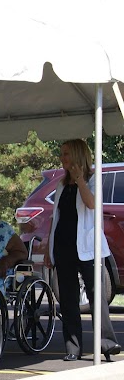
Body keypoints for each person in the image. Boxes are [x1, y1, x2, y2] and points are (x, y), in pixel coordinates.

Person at [45, 139, 121, 362]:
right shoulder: (60, 184)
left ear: (78, 155)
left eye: (66, 154)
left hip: (88, 247)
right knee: (68, 298)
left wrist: (80, 181)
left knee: (96, 294)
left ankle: (106, 343)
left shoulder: (93, 179)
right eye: (61, 154)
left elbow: (91, 204)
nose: (62, 158)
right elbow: (55, 218)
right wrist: (50, 248)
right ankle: (73, 347)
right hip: (63, 246)